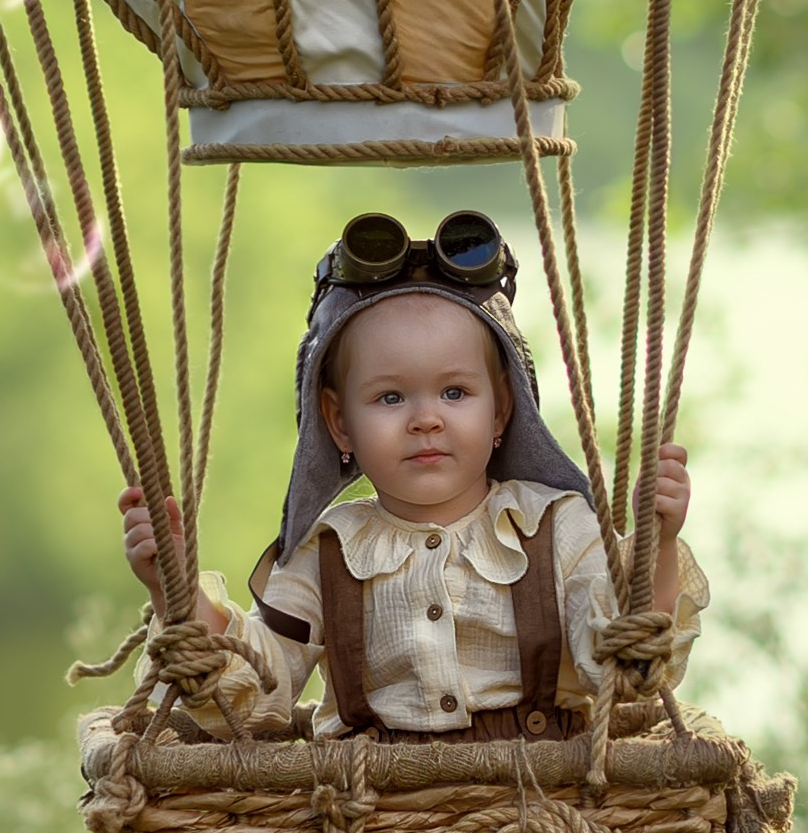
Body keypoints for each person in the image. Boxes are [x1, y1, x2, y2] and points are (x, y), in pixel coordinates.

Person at [109, 209, 706, 746]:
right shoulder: (325, 551)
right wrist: (176, 592)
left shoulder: (558, 526)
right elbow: (257, 699)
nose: (425, 419)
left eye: (455, 392)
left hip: (540, 803)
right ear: (340, 425)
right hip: (372, 823)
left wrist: (659, 542)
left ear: (501, 409)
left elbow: (624, 668)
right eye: (391, 397)